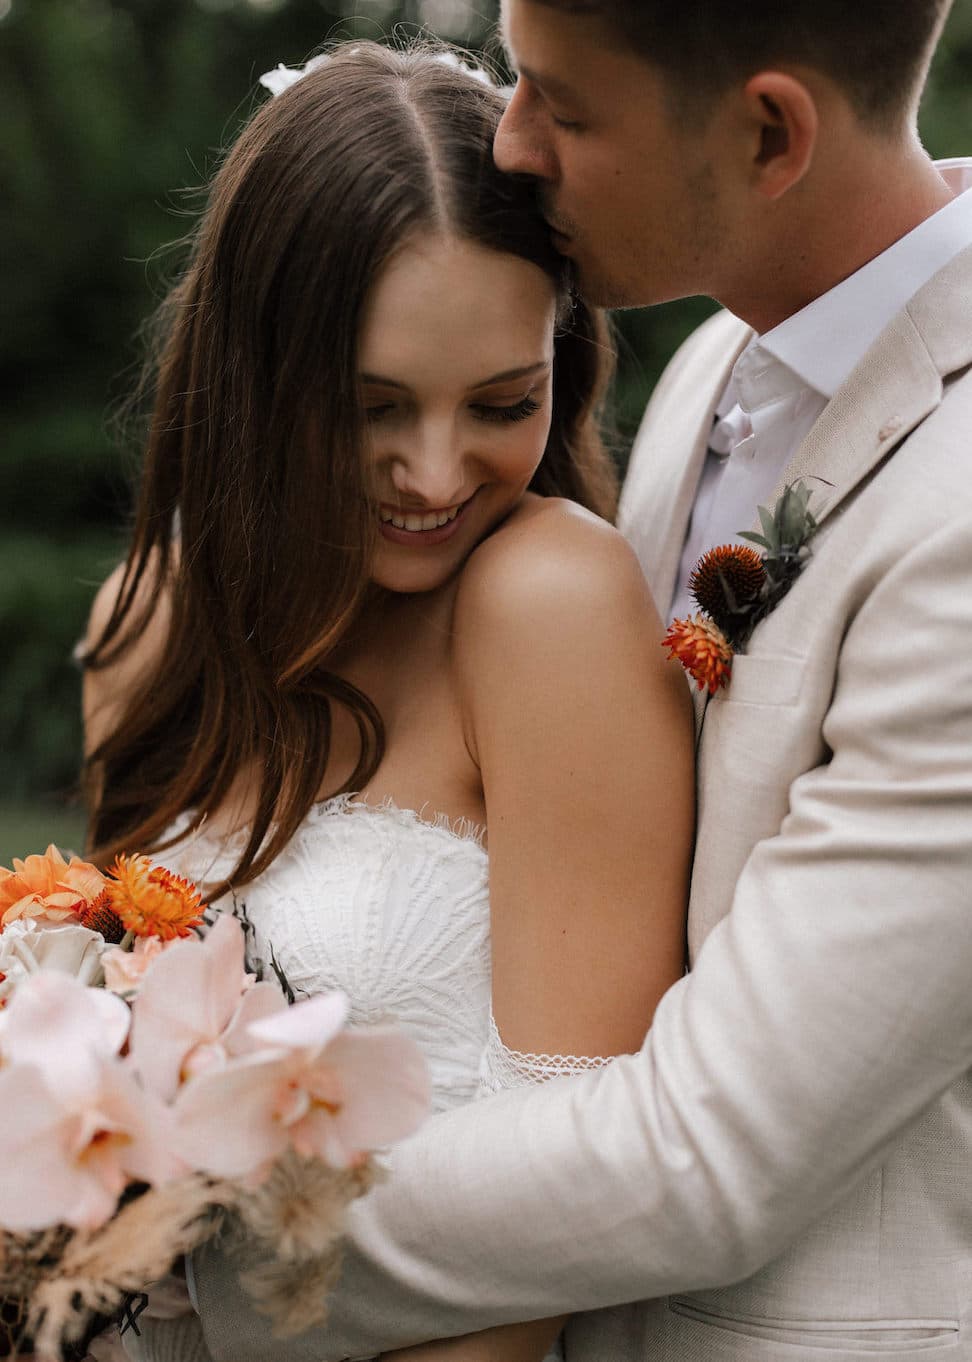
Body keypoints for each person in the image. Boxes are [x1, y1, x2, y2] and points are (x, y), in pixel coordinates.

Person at [185, 2, 972, 1360]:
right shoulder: (721, 369)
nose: (510, 138)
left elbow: (710, 1149)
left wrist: (156, 1239)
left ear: (770, 130)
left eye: (564, 103)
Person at [79, 39, 694, 1362]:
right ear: (258, 377)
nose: (432, 472)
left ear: (563, 366)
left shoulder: (547, 605)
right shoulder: (146, 630)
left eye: (501, 401)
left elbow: (567, 1201)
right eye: (370, 408)